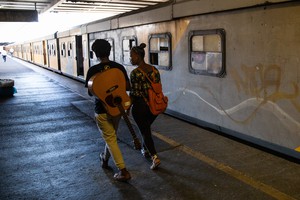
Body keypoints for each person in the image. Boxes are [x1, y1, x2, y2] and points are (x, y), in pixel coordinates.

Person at [85, 39, 131, 182]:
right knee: (111, 137)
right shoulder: (118, 67)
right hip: (117, 109)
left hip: (102, 111)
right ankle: (104, 159)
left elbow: (90, 92)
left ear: (96, 54)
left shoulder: (92, 70)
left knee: (110, 139)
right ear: (109, 51)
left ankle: (123, 170)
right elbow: (127, 87)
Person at [129, 43, 161, 170]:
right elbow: (158, 88)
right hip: (155, 106)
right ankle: (146, 150)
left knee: (145, 131)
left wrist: (127, 108)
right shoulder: (155, 70)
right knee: (146, 128)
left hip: (140, 106)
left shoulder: (135, 73)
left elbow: (134, 93)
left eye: (132, 56)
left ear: (138, 56)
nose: (130, 59)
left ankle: (154, 157)